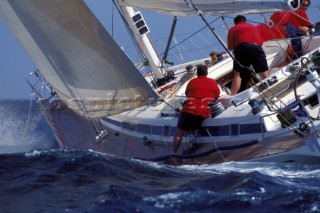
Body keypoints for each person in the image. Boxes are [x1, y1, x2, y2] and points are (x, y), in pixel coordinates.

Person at [172, 64, 220, 154]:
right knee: (193, 130)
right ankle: (192, 151)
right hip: (202, 113)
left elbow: (187, 93)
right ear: (207, 72)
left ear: (197, 73)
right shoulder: (213, 82)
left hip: (188, 110)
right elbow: (217, 95)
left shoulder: (192, 82)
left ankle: (174, 153)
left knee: (180, 132)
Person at [227, 15, 269, 95]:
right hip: (256, 47)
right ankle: (270, 87)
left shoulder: (232, 29)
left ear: (235, 23)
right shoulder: (253, 27)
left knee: (237, 74)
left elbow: (231, 48)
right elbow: (261, 42)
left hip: (241, 48)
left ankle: (233, 95)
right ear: (245, 21)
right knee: (263, 72)